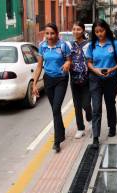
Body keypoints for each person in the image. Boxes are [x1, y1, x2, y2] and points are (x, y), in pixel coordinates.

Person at [32, 23, 71, 153]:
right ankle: (62, 130)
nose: (49, 36)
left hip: (61, 79)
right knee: (55, 110)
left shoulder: (63, 45)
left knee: (56, 108)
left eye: (52, 33)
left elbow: (69, 60)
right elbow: (39, 66)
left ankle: (57, 141)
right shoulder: (42, 46)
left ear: (57, 34)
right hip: (48, 80)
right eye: (47, 33)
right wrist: (34, 84)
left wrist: (67, 63)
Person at [86, 19, 117, 149]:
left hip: (111, 79)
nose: (99, 34)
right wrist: (96, 70)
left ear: (106, 30)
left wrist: (111, 70)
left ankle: (112, 126)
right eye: (96, 32)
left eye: (101, 31)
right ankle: (95, 136)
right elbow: (89, 62)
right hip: (95, 79)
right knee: (96, 107)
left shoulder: (114, 44)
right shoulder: (92, 45)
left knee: (110, 103)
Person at [69, 21, 93, 139]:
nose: (75, 31)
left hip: (87, 79)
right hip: (74, 79)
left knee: (86, 104)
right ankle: (80, 128)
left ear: (83, 31)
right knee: (77, 105)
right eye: (74, 29)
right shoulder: (70, 45)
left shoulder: (89, 44)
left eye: (78, 29)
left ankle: (90, 117)